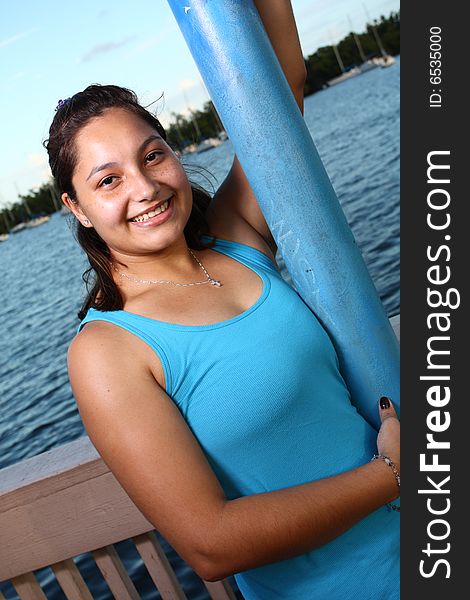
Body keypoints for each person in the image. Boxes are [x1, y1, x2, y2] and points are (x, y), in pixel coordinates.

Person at [45, 2, 400, 598]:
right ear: (76, 208)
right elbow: (211, 543)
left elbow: (277, 90)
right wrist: (391, 474)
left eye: (152, 155)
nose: (146, 187)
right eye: (108, 180)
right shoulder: (108, 353)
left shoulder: (236, 242)